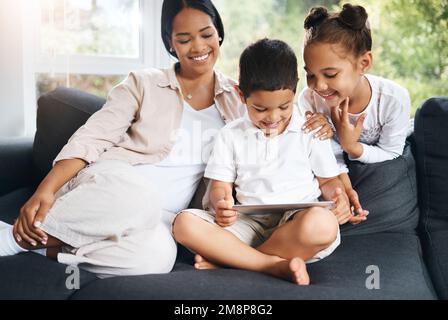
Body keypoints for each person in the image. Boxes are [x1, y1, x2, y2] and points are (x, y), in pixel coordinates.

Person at [0, 0, 245, 278]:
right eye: (184, 39)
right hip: (114, 186)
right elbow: (93, 137)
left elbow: (274, 130)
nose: (199, 47)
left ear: (219, 33)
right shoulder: (143, 83)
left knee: (156, 259)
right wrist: (45, 189)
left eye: (206, 34)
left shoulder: (237, 100)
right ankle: (11, 240)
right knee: (141, 197)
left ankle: (43, 248)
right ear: (170, 43)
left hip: (163, 217)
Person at [173, 38, 355, 285]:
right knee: (184, 224)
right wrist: (222, 203)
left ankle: (237, 261)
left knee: (323, 224)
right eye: (260, 109)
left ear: (294, 91)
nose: (273, 118)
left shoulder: (310, 130)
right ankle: (270, 264)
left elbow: (329, 181)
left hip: (297, 223)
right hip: (248, 223)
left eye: (284, 106)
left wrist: (338, 197)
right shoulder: (231, 134)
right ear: (241, 95)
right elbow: (220, 186)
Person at [299, 4, 411, 221]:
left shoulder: (392, 100)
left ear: (364, 63)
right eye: (310, 75)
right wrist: (344, 192)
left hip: (383, 159)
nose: (319, 86)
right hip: (337, 172)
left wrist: (351, 146)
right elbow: (328, 156)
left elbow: (392, 152)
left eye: (330, 74)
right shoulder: (309, 99)